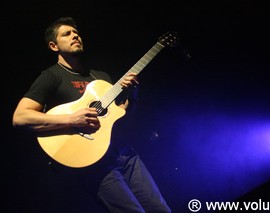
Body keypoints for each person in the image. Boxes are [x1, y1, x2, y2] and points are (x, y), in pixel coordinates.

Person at [12, 16, 171, 213]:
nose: (75, 36)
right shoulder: (51, 77)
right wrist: (72, 118)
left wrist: (133, 96)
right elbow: (20, 117)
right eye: (67, 34)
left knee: (161, 209)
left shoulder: (100, 77)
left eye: (76, 33)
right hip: (93, 162)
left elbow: (117, 118)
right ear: (54, 46)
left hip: (124, 153)